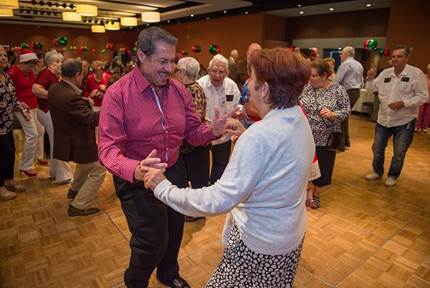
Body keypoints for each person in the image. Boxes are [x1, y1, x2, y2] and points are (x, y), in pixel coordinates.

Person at [143, 47, 314, 288]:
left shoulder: (261, 136)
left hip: (260, 243)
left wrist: (163, 187)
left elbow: (219, 199)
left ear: (264, 89)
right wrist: (247, 135)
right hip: (289, 233)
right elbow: (281, 156)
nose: (248, 83)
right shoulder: (297, 116)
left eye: (252, 78)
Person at [98, 27, 229, 288]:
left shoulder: (179, 91)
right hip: (137, 178)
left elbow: (192, 132)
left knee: (174, 230)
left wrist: (213, 130)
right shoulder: (118, 94)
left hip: (174, 170)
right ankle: (135, 282)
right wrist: (136, 169)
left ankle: (168, 274)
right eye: (162, 61)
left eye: (172, 61)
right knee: (152, 240)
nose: (169, 68)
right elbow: (107, 150)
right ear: (141, 56)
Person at [48, 58, 105, 216]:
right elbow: (91, 120)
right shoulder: (71, 96)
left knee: (85, 164)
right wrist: (108, 109)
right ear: (77, 75)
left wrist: (84, 102)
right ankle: (79, 205)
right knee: (99, 169)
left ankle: (74, 190)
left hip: (68, 137)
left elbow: (71, 111)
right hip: (77, 140)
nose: (83, 79)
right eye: (82, 75)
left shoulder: (55, 88)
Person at [365, 45, 428, 186]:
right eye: (393, 56)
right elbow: (371, 89)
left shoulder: (416, 74)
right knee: (377, 148)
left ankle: (393, 175)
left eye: (399, 56)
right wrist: (369, 78)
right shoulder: (385, 73)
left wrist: (404, 103)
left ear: (407, 58)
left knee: (399, 152)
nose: (395, 59)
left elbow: (423, 97)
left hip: (404, 121)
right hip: (383, 119)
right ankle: (377, 171)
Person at [300, 58, 351, 208]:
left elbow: (346, 110)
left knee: (323, 168)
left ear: (324, 75)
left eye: (314, 75)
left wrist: (333, 114)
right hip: (305, 136)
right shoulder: (306, 88)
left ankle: (316, 195)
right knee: (304, 167)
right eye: (310, 75)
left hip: (326, 137)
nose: (311, 78)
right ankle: (306, 193)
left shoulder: (338, 90)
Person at [174, 57, 209, 222]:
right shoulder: (184, 89)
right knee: (189, 179)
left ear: (182, 72)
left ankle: (196, 211)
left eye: (177, 71)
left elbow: (194, 119)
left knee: (197, 181)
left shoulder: (193, 89)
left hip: (194, 144)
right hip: (186, 145)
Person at [198, 54, 240, 184]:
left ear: (227, 72)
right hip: (203, 132)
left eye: (221, 72)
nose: (217, 75)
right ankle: (202, 192)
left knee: (220, 167)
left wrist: (238, 114)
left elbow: (237, 107)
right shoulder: (200, 85)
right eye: (214, 71)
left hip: (224, 134)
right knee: (201, 167)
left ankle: (216, 192)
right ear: (208, 70)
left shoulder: (232, 87)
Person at [32, 50, 73, 184]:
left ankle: (56, 173)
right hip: (46, 111)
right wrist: (53, 95)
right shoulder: (46, 73)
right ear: (50, 64)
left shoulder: (54, 75)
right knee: (59, 141)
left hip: (50, 111)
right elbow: (35, 89)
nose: (60, 64)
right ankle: (63, 175)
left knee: (56, 141)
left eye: (61, 61)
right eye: (57, 61)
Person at [7, 49, 45, 177]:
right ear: (23, 62)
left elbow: (32, 87)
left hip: (33, 105)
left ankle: (36, 157)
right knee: (32, 134)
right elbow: (9, 94)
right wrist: (20, 107)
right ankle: (25, 165)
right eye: (30, 64)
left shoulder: (29, 72)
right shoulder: (13, 73)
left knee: (40, 131)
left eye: (33, 64)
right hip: (21, 108)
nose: (31, 67)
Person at [0, 47, 28, 200]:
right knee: (2, 155)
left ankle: (9, 180)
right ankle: (0, 188)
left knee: (10, 154)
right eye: (0, 56)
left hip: (7, 124)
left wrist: (20, 105)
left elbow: (12, 98)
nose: (3, 58)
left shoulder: (6, 76)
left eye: (4, 55)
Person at [335, 46, 364, 149]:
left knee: (341, 116)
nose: (340, 56)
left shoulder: (346, 64)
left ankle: (341, 143)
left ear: (346, 54)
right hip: (356, 91)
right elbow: (362, 80)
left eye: (341, 54)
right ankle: (346, 141)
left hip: (347, 91)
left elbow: (337, 80)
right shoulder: (359, 64)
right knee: (345, 116)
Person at [416, 63, 430, 131]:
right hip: (422, 97)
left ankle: (425, 127)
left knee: (428, 114)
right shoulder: (423, 77)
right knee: (420, 113)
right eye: (429, 70)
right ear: (428, 70)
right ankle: (417, 126)